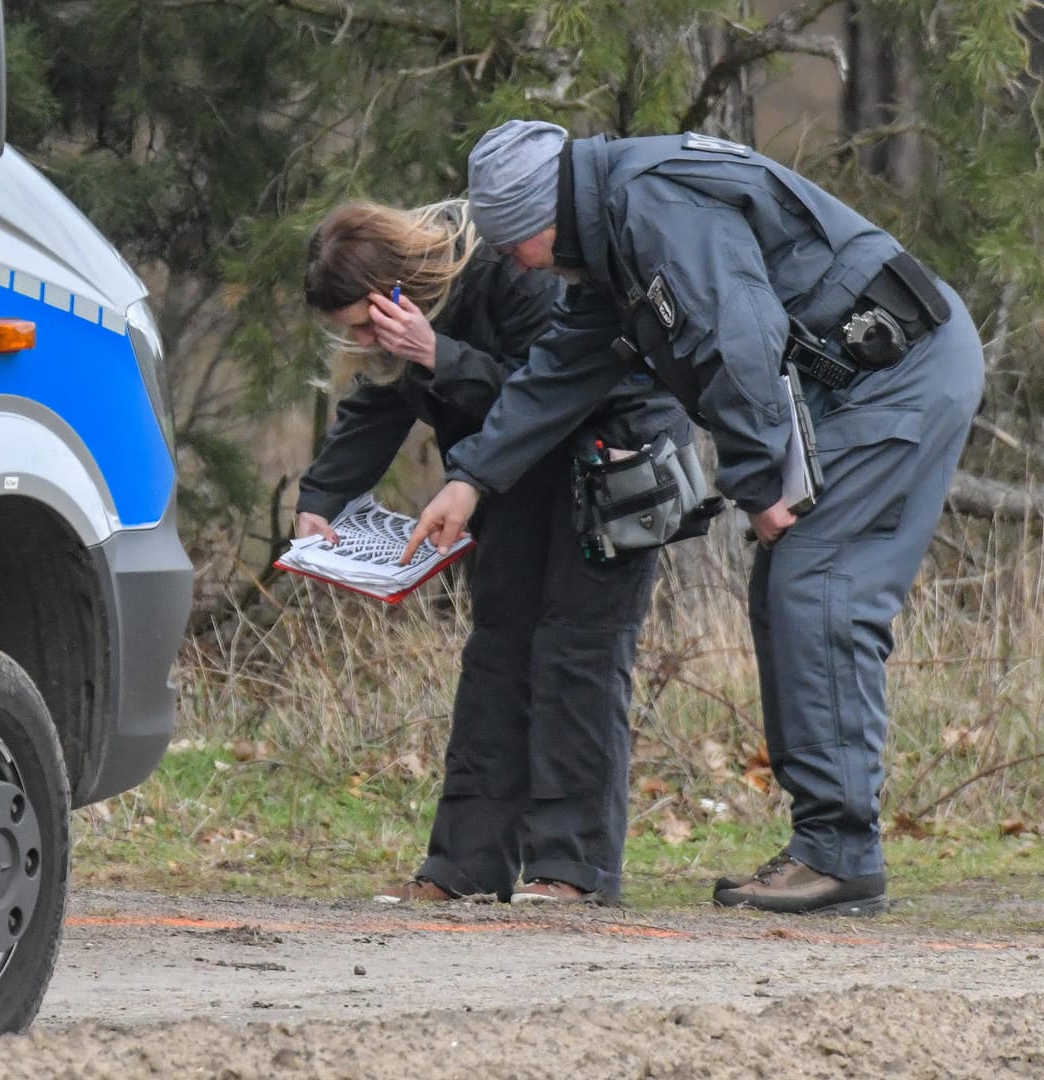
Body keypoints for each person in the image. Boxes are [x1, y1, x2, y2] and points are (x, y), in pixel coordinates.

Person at [404, 121, 984, 916]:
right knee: (794, 586)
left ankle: (841, 856)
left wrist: (755, 478)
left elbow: (737, 334)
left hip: (896, 375)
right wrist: (469, 479)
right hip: (855, 382)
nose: (513, 264)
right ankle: (832, 848)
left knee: (817, 585)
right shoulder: (616, 230)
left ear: (544, 218)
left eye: (512, 247)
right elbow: (559, 371)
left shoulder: (651, 205)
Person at [298, 199, 684, 904]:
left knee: (577, 659)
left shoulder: (516, 271)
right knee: (496, 660)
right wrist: (318, 501)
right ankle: (462, 869)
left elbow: (553, 392)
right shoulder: (401, 329)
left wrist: (437, 354)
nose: (360, 342)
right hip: (503, 484)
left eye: (362, 326)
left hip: (605, 468)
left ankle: (573, 872)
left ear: (394, 290)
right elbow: (381, 403)